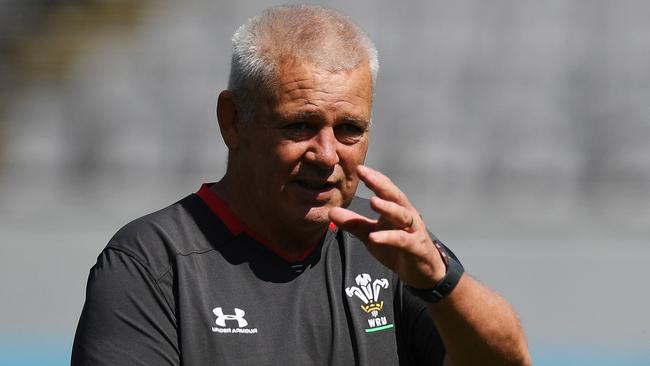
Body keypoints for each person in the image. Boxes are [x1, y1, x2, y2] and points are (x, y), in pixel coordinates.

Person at [72, 5, 531, 366]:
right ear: (233, 122)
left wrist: (439, 279)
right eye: (299, 125)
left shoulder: (389, 245)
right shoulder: (151, 264)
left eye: (350, 129)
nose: (327, 155)